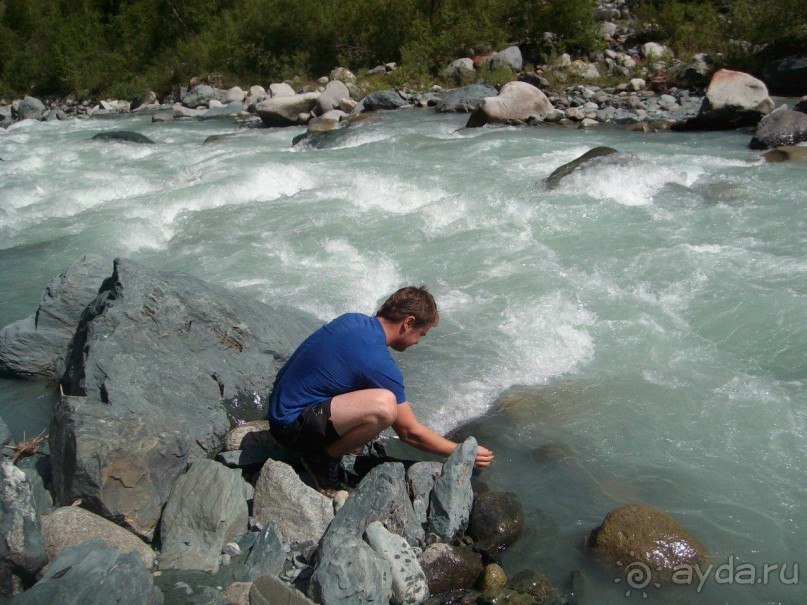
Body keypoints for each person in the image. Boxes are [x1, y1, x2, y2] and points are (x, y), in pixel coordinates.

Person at [268, 285, 494, 493]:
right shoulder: (378, 361)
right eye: (420, 334)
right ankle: (323, 459)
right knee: (385, 406)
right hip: (291, 428)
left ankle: (331, 447)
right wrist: (461, 452)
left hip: (282, 408)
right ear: (407, 323)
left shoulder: (353, 320)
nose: (417, 342)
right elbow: (409, 433)